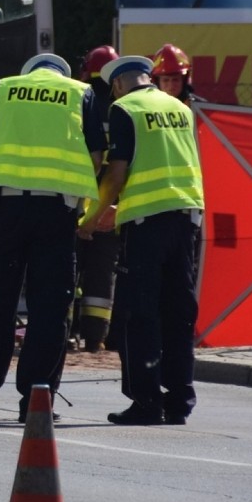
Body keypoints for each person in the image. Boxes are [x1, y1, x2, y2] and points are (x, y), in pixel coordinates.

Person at [0, 53, 106, 422]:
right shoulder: (80, 93)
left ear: (28, 73)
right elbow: (97, 156)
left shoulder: (2, 90)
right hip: (57, 214)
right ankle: (36, 401)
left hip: (6, 212)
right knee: (50, 309)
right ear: (61, 73)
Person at [77, 55, 205, 426]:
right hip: (186, 217)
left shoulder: (124, 108)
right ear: (147, 77)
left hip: (146, 225)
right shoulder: (180, 109)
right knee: (179, 312)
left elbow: (117, 173)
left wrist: (91, 218)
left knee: (140, 314)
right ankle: (180, 400)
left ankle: (145, 401)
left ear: (117, 84)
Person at [73, 45, 121, 353]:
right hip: (109, 209)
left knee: (67, 270)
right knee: (102, 277)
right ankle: (95, 337)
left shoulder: (78, 107)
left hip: (75, 205)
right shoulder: (123, 110)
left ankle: (62, 332)